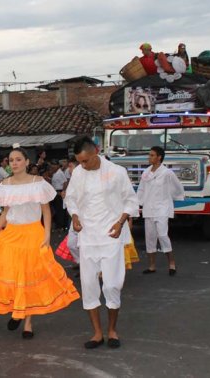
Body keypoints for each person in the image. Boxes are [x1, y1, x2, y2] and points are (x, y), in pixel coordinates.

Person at [0, 147, 80, 338]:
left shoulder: (38, 183)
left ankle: (27, 322)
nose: (14, 163)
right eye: (11, 160)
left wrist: (47, 234)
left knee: (28, 278)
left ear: (27, 162)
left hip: (33, 233)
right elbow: (5, 212)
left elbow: (46, 211)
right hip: (12, 234)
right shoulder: (5, 184)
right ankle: (17, 309)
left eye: (18, 159)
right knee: (12, 275)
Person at [65, 136, 139, 349]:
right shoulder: (78, 173)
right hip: (88, 236)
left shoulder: (116, 172)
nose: (83, 165)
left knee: (112, 284)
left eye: (86, 160)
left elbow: (130, 201)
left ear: (96, 152)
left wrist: (121, 221)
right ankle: (97, 333)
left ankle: (112, 330)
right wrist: (75, 216)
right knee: (88, 286)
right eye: (80, 161)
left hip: (110, 236)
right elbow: (71, 199)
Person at [137, 146, 185, 275]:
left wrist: (174, 197)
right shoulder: (146, 172)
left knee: (163, 235)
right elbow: (141, 189)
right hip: (148, 208)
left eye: (152, 155)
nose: (149, 157)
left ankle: (172, 263)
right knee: (150, 237)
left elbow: (177, 187)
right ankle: (151, 266)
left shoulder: (167, 173)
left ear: (159, 157)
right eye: (149, 155)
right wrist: (138, 203)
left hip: (162, 207)